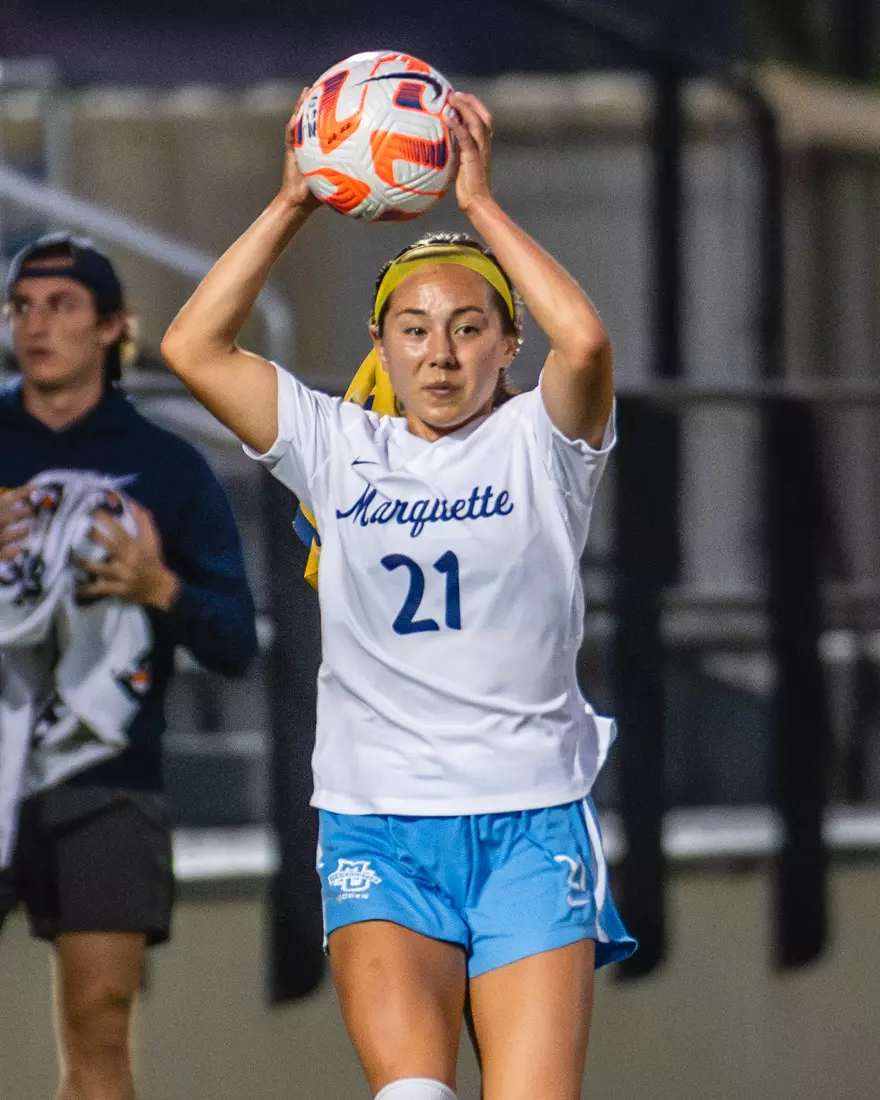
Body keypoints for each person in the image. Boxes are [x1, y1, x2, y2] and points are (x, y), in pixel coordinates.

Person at [161, 89, 635, 1100]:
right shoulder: (340, 446)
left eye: (471, 328)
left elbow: (587, 345)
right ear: (380, 346)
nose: (442, 352)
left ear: (508, 347)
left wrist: (484, 205)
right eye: (414, 330)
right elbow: (192, 347)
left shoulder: (541, 448)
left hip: (529, 818)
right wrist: (293, 198)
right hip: (379, 821)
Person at [0, 232, 258, 1100]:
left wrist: (160, 587)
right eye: (21, 306)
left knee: (100, 1028)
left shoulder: (168, 467)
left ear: (115, 327)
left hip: (107, 774)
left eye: (61, 305)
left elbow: (234, 643)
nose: (36, 325)